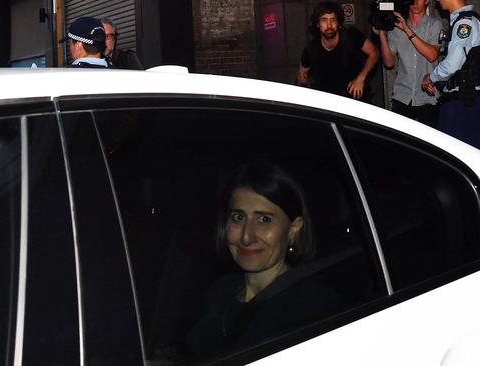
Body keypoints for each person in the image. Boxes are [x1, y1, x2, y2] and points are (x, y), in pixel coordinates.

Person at [187, 162, 340, 358]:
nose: (246, 237)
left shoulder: (315, 307)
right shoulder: (221, 292)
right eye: (238, 217)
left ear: (294, 229)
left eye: (264, 220)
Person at [421, 0, 480, 148]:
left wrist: (431, 77)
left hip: (463, 103)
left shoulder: (465, 23)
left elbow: (453, 63)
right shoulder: (462, 21)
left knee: (459, 158)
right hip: (463, 101)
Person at [378, 0, 444, 128]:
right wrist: (382, 33)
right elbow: (389, 63)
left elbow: (432, 55)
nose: (415, 1)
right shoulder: (396, 27)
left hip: (427, 96)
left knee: (428, 144)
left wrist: (407, 30)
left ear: (426, 1)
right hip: (402, 95)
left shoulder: (434, 25)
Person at [298, 1, 379, 101]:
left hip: (356, 99)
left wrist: (360, 78)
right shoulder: (312, 48)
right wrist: (305, 89)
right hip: (329, 104)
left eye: (333, 20)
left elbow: (374, 53)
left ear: (339, 23)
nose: (329, 25)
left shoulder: (351, 36)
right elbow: (301, 74)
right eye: (324, 20)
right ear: (318, 24)